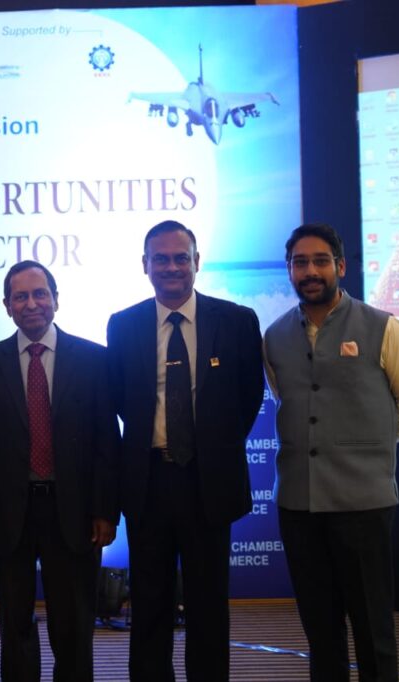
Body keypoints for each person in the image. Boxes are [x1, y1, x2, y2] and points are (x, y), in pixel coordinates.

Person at [264, 222, 399, 682]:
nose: (310, 271)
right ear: (290, 271)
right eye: (300, 263)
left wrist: (365, 447)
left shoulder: (384, 327)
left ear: (340, 266)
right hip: (298, 505)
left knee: (374, 630)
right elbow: (285, 399)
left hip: (364, 506)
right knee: (320, 632)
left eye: (320, 261)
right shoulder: (274, 337)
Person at [106, 220, 264, 681]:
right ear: (145, 265)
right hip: (149, 481)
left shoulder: (237, 321)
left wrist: (209, 447)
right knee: (149, 603)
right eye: (161, 258)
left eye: (181, 258)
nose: (171, 267)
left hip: (208, 481)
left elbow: (248, 398)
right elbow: (121, 399)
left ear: (197, 262)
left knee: (208, 604)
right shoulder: (123, 324)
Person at [0, 260, 119, 682]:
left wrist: (105, 510)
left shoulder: (94, 360)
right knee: (14, 622)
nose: (31, 304)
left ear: (56, 299)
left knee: (73, 624)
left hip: (74, 511)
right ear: (6, 305)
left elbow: (107, 442)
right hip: (9, 513)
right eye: (20, 296)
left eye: (40, 294)